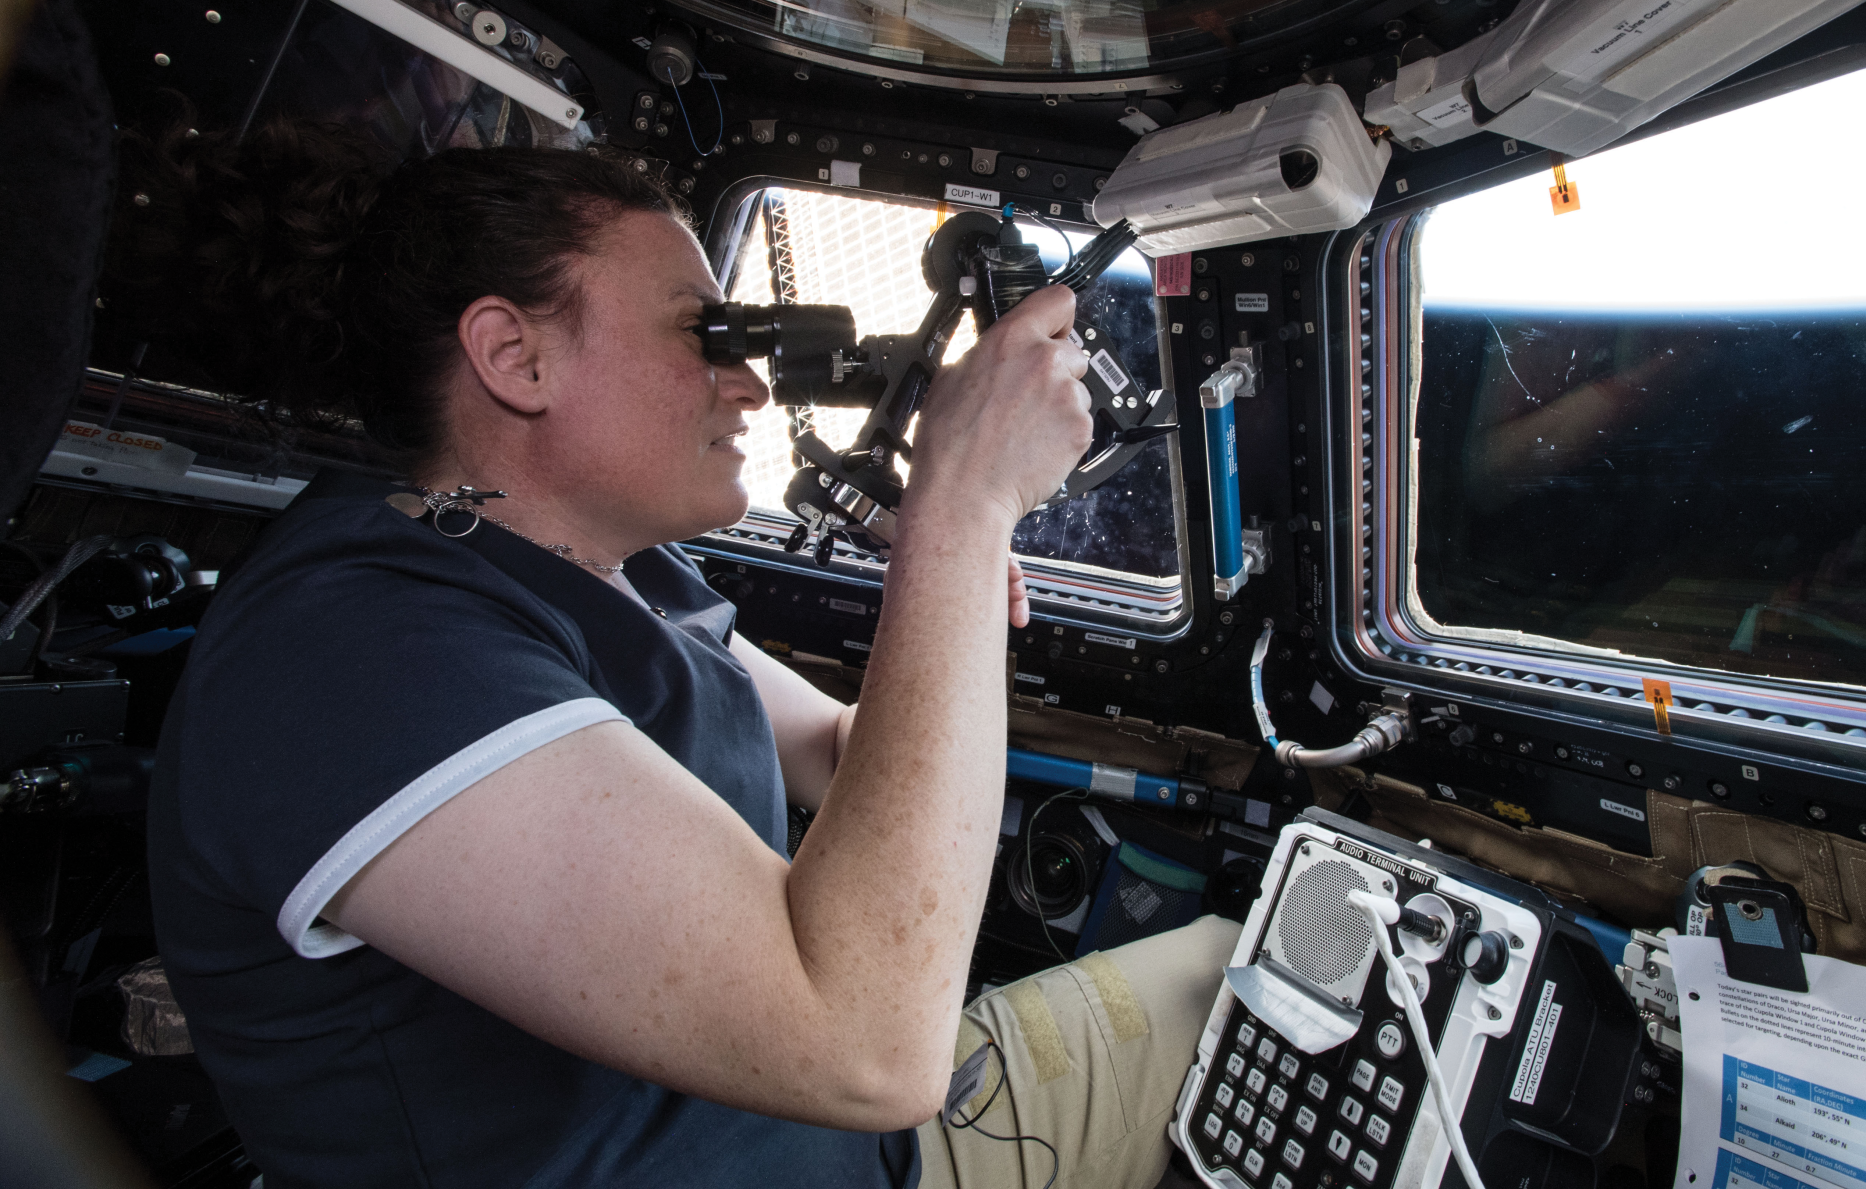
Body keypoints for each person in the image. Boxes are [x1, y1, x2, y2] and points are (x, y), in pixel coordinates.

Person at [121, 118, 1236, 1189]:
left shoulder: (606, 567)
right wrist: (959, 505)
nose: (748, 382)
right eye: (701, 334)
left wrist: (947, 574)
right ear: (514, 356)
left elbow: (856, 757)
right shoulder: (355, 658)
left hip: (859, 1156)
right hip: (862, 1112)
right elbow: (870, 1048)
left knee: (1263, 978)